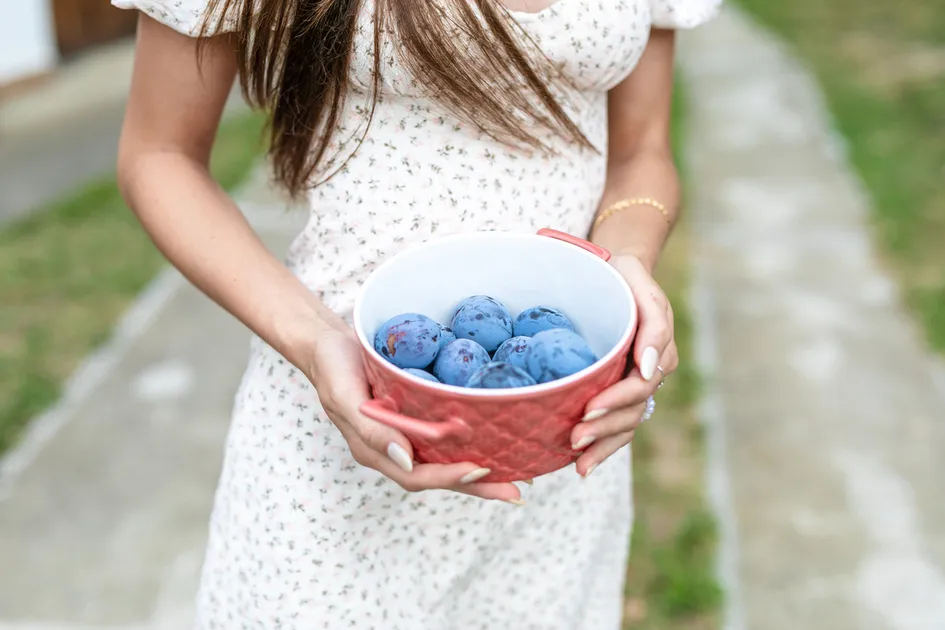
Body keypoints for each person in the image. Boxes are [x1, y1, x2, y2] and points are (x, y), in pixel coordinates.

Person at [112, 0, 720, 627]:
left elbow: (641, 151)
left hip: (552, 446)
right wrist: (318, 341)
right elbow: (159, 154)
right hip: (334, 426)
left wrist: (625, 275)